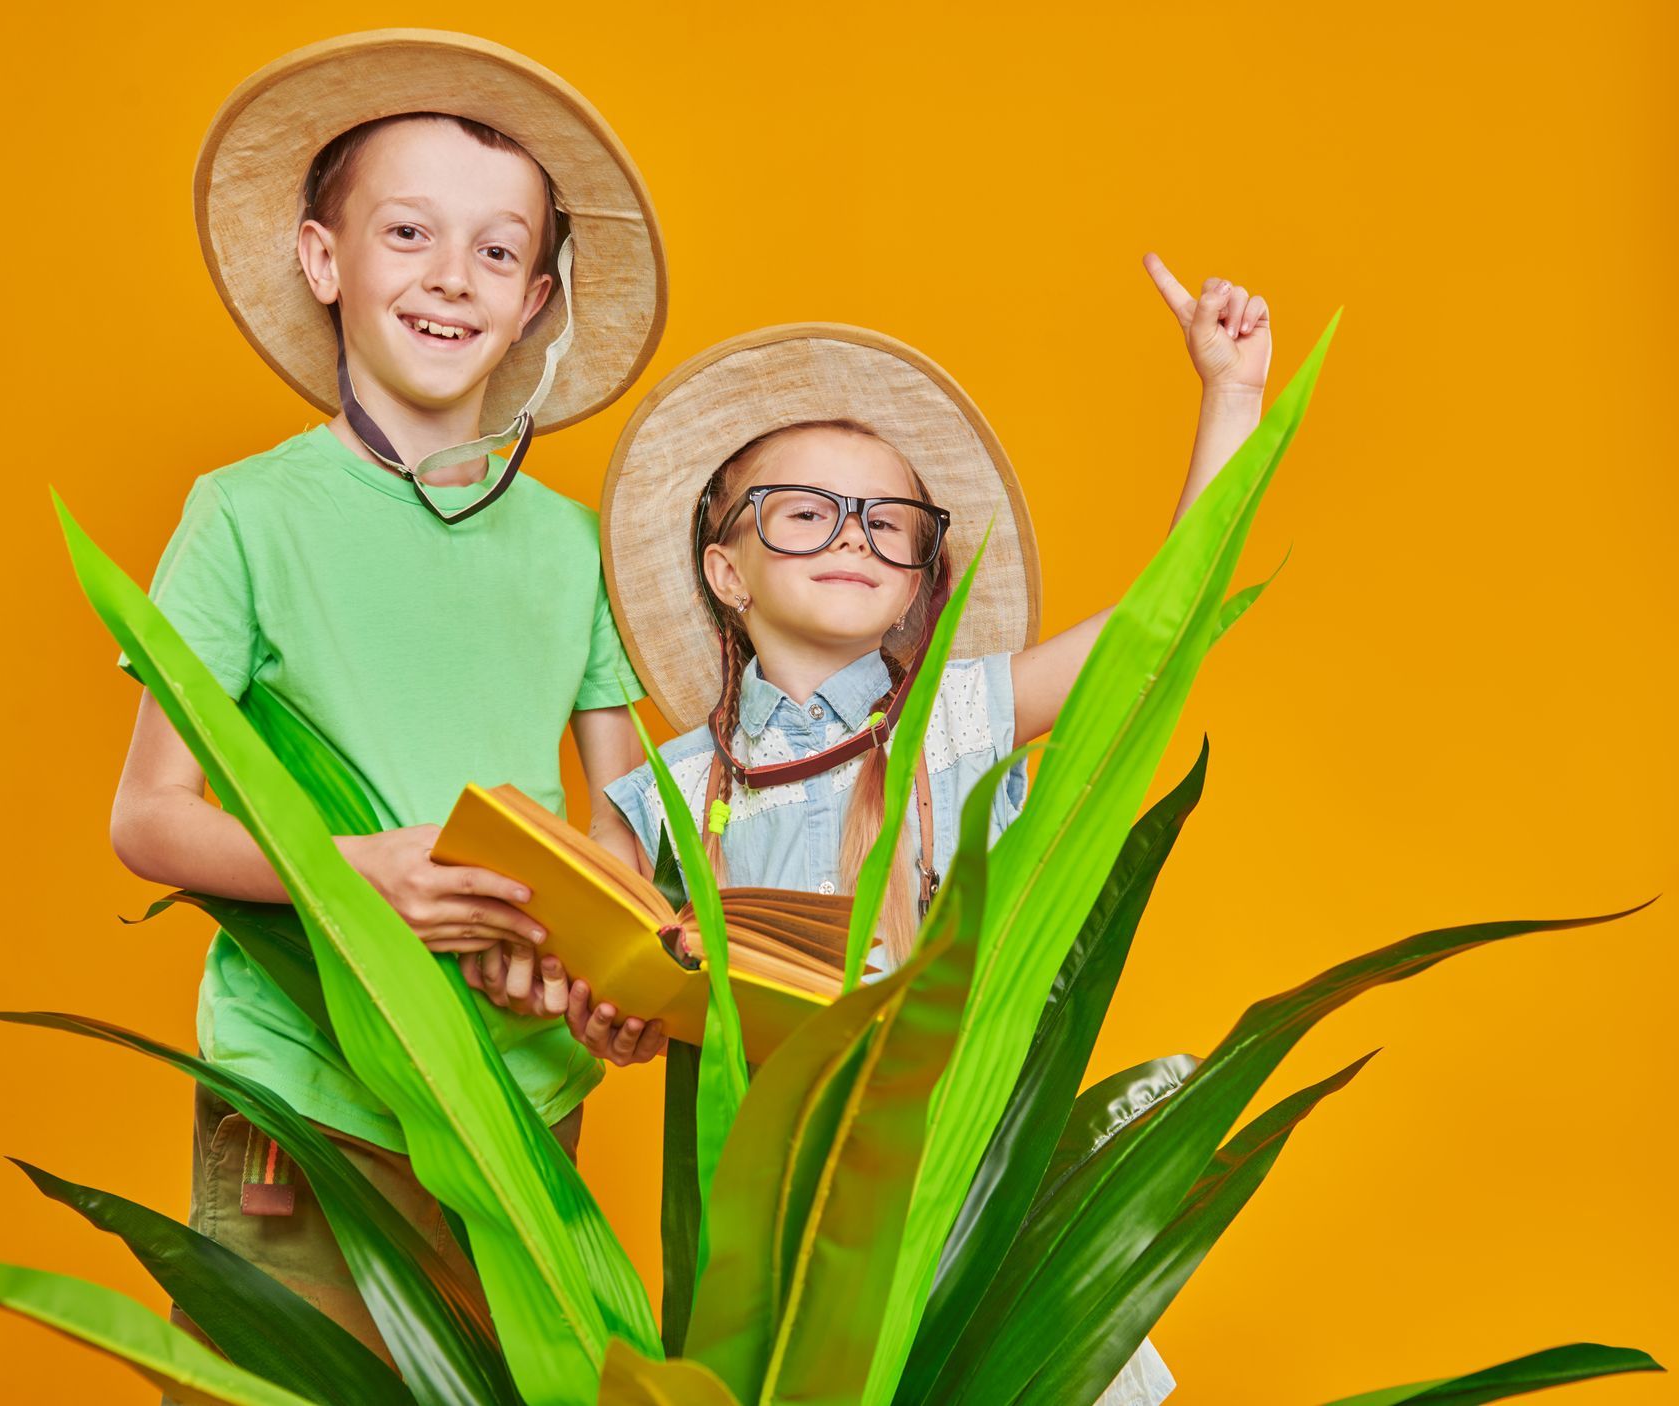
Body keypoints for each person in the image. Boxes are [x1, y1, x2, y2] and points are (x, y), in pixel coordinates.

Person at [592, 265, 1273, 1402]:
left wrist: (1232, 401)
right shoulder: (673, 786)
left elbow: (1165, 621)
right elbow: (609, 963)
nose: (851, 536)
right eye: (805, 512)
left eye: (887, 521)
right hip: (783, 1236)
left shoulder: (962, 715)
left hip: (960, 1190)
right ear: (727, 568)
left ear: (917, 576)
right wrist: (616, 1009)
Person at [108, 29, 668, 1364]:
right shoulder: (243, 517)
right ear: (325, 260)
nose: (450, 278)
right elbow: (148, 818)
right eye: (408, 231)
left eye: (496, 250)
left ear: (535, 298)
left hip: (520, 1103)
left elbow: (624, 816)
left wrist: (599, 953)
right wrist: (358, 871)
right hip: (308, 1100)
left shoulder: (574, 544)